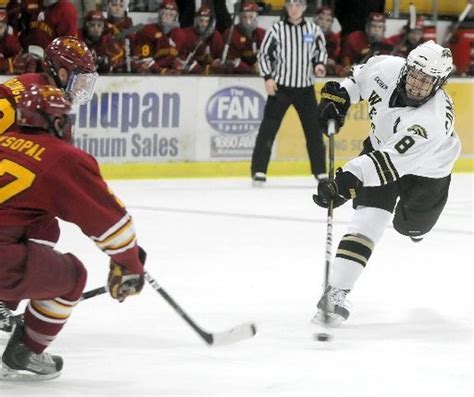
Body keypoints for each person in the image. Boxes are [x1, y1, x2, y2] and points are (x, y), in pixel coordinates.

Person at [0, 84, 145, 380]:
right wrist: (129, 264)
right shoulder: (61, 157)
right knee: (73, 276)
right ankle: (27, 351)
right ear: (56, 121)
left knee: (40, 231)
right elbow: (109, 223)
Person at [311, 41, 460, 327]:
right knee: (369, 219)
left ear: (439, 83)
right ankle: (336, 293)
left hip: (428, 171)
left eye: (426, 80)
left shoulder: (431, 121)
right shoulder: (387, 68)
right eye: (415, 74)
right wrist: (341, 97)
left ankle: (414, 229)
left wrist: (346, 181)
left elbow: (386, 164)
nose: (417, 84)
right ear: (407, 68)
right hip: (381, 149)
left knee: (410, 228)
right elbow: (358, 78)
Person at [0, 36, 98, 335]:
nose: (84, 89)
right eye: (80, 79)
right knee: (41, 226)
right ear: (64, 72)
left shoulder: (45, 94)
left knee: (41, 225)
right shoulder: (28, 95)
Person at [251, 0, 327, 185]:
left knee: (314, 131)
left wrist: (319, 65)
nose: (294, 10)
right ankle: (259, 170)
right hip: (281, 88)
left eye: (298, 6)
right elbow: (263, 55)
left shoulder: (312, 29)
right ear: (286, 7)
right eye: (291, 6)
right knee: (268, 129)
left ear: (304, 8)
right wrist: (267, 77)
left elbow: (321, 51)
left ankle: (320, 172)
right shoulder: (276, 29)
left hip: (305, 88)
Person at [211, 0, 266, 75]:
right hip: (235, 76)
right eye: (244, 17)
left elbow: (268, 57)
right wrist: (250, 70)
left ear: (256, 17)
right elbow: (230, 62)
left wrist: (261, 65)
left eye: (251, 17)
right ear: (240, 17)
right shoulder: (230, 34)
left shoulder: (262, 34)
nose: (248, 21)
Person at [130, 0, 180, 74]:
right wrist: (161, 71)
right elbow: (144, 60)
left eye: (171, 14)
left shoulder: (179, 34)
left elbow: (179, 60)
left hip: (166, 74)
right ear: (159, 13)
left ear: (176, 17)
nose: (167, 16)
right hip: (149, 75)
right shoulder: (146, 31)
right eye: (164, 13)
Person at [173, 4, 223, 74]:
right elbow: (181, 59)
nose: (204, 24)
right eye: (201, 21)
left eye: (207, 21)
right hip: (189, 74)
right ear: (195, 21)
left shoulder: (217, 37)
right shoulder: (185, 34)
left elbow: (220, 60)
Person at [313, 6, 340, 76]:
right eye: (321, 18)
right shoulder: (307, 34)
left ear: (331, 23)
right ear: (315, 19)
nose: (323, 22)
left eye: (328, 20)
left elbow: (334, 59)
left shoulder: (334, 38)